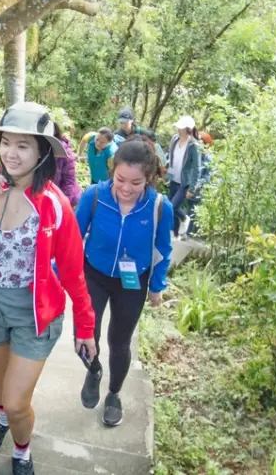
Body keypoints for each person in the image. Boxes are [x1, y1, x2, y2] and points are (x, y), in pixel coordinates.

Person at [0, 102, 96, 475]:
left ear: (42, 152)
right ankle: (2, 419)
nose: (11, 153)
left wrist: (86, 327)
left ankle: (22, 452)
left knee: (17, 400)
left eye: (23, 145)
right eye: (6, 142)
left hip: (33, 312)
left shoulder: (54, 205)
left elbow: (73, 273)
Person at [76, 140, 174, 427]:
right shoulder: (94, 196)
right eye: (120, 179)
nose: (126, 188)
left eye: (136, 182)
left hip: (132, 281)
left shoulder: (159, 207)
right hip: (94, 274)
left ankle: (114, 394)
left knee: (119, 342)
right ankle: (94, 369)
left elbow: (163, 249)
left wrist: (156, 286)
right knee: (84, 334)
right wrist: (58, 274)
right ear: (113, 170)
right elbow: (71, 239)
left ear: (149, 178)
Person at [166, 115, 201, 239]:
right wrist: (166, 174)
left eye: (181, 128)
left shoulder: (193, 146)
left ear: (188, 129)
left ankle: (185, 218)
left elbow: (197, 168)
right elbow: (170, 158)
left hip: (184, 182)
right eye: (178, 127)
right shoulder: (174, 139)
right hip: (173, 179)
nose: (179, 130)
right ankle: (176, 235)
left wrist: (192, 189)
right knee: (173, 210)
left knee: (172, 207)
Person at [52, 121, 82, 207]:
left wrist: (63, 204)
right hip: (52, 197)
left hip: (66, 197)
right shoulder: (40, 150)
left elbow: (69, 180)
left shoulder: (64, 151)